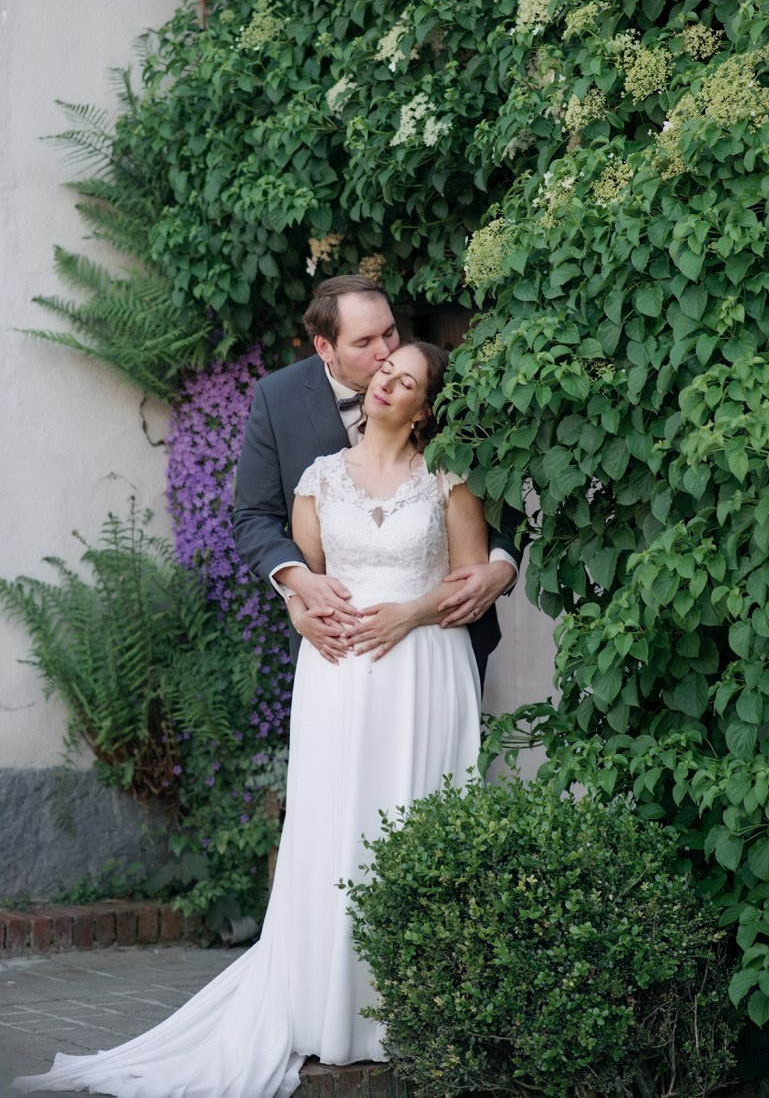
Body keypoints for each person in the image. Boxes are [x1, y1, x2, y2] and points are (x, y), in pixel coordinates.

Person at [14, 341, 489, 1097]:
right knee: (335, 828)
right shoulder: (318, 480)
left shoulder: (446, 482)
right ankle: (329, 1007)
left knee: (416, 816)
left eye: (404, 381)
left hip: (425, 672)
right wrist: (307, 610)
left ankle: (409, 1005)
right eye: (383, 369)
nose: (385, 383)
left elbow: (475, 576)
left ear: (425, 407)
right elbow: (306, 584)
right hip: (338, 679)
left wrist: (411, 612)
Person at [232, 274, 520, 686]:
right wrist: (298, 591)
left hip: (445, 640)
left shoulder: (444, 390)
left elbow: (499, 490)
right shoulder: (278, 400)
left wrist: (502, 568)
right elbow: (255, 516)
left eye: (389, 332)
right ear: (324, 347)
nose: (386, 351)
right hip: (337, 653)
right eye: (364, 342)